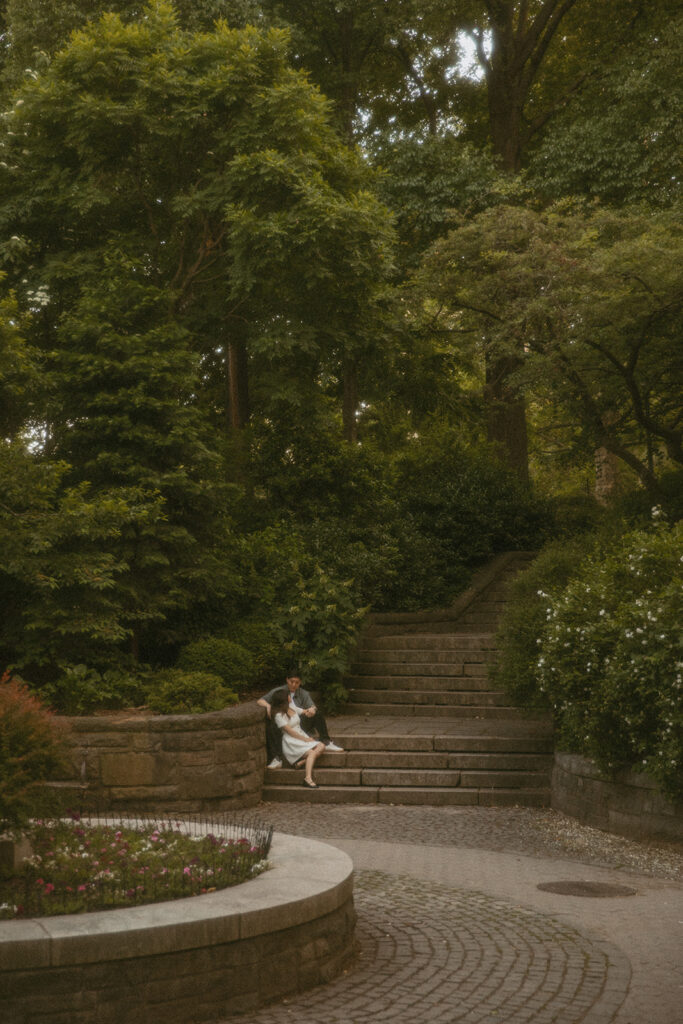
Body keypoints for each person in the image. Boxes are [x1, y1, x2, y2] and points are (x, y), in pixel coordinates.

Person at [258, 669, 343, 768]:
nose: (294, 685)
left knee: (317, 714)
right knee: (272, 725)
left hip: (298, 723)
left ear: (300, 682)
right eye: (291, 682)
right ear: (287, 680)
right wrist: (268, 706)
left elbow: (312, 707)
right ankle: (276, 758)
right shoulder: (279, 691)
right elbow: (260, 700)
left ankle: (326, 741)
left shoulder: (303, 693)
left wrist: (312, 710)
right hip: (285, 726)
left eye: (297, 682)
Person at [269, 688, 325, 788]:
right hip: (291, 741)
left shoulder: (291, 706)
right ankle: (308, 779)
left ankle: (302, 762)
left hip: (301, 735)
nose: (290, 696)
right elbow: (290, 731)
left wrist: (311, 709)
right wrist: (306, 739)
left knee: (321, 745)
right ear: (285, 699)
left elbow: (303, 711)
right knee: (312, 752)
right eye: (288, 695)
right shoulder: (278, 715)